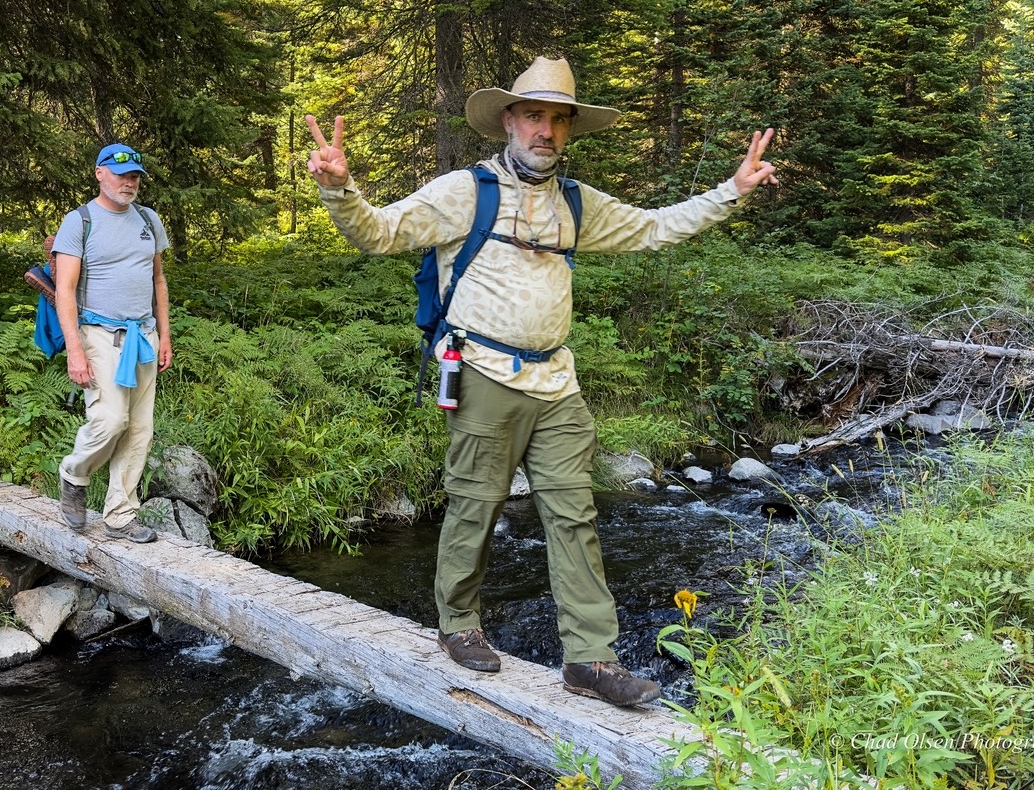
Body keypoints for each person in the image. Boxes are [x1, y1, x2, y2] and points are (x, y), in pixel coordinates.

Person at [305, 56, 777, 707]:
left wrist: (732, 190)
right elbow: (379, 232)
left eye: (559, 118)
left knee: (574, 514)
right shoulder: (464, 192)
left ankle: (589, 659)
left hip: (558, 382)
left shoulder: (577, 204)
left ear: (570, 129)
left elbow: (655, 228)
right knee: (475, 501)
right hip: (481, 373)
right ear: (508, 119)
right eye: (534, 115)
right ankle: (459, 623)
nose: (545, 130)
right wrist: (339, 186)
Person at [53, 143, 174, 543]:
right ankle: (74, 474)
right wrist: (74, 349)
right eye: (121, 174)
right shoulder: (80, 221)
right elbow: (65, 290)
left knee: (140, 428)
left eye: (135, 175)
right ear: (99, 174)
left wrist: (165, 336)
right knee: (110, 420)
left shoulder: (149, 219)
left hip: (144, 335)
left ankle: (121, 515)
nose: (130, 182)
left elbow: (158, 280)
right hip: (99, 335)